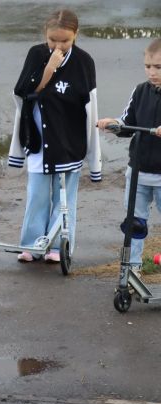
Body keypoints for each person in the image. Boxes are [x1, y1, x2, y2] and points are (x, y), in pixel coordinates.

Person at [9, 9, 101, 263]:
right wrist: (48, 70)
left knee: (65, 198)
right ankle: (31, 244)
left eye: (65, 41)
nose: (58, 46)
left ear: (76, 35)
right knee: (37, 195)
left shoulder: (84, 62)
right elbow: (23, 94)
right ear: (45, 35)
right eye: (53, 40)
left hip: (70, 142)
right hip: (39, 141)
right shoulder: (36, 54)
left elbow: (90, 106)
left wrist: (94, 161)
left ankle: (58, 245)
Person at [97, 38, 161, 276]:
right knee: (134, 223)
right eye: (148, 66)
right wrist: (114, 125)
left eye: (158, 67)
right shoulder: (140, 90)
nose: (152, 72)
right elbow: (128, 123)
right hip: (138, 172)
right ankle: (131, 270)